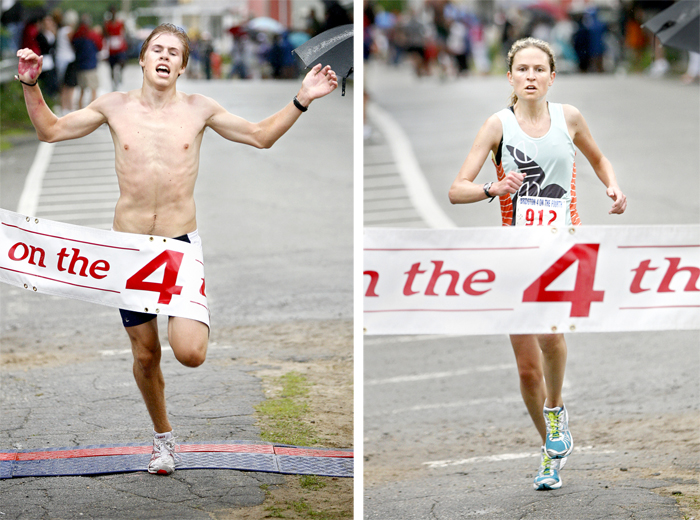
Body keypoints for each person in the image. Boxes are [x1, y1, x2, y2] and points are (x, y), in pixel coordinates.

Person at [15, 23, 338, 476]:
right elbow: (50, 130)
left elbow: (261, 136)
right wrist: (31, 84)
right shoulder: (114, 106)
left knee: (190, 353)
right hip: (128, 251)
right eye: (157, 49)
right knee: (146, 354)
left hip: (177, 251)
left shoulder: (199, 109)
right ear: (143, 60)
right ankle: (163, 439)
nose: (165, 56)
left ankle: (193, 314)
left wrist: (302, 97)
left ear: (183, 66)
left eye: (174, 52)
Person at [448, 37, 626, 491]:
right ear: (510, 78)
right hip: (514, 254)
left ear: (551, 77)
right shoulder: (498, 125)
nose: (530, 77)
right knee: (526, 369)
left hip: (561, 248)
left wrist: (612, 187)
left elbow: (600, 158)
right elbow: (457, 189)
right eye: (522, 70)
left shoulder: (569, 118)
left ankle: (555, 409)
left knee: (550, 336)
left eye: (538, 70)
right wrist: (495, 188)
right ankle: (549, 448)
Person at [71, 14, 102, 108]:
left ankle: (79, 110)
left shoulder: (76, 35)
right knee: (93, 90)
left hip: (80, 66)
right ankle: (92, 112)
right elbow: (100, 46)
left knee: (81, 91)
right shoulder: (92, 35)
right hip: (91, 66)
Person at [103, 5, 128, 90]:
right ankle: (113, 83)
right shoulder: (107, 24)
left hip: (120, 47)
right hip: (111, 48)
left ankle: (120, 73)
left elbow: (124, 32)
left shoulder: (120, 23)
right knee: (111, 67)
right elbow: (105, 35)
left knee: (122, 62)